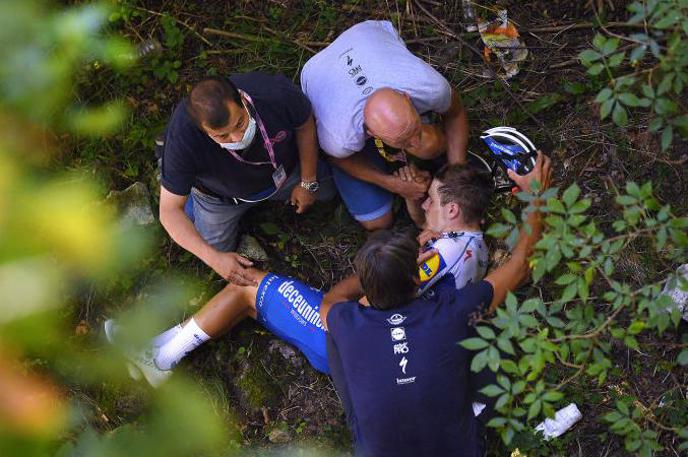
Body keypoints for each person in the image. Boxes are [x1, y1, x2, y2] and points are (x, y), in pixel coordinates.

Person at [104, 163, 493, 387]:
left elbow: (372, 301)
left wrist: (343, 293)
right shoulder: (473, 247)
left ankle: (161, 360)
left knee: (251, 284)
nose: (425, 200)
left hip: (355, 348)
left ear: (454, 209)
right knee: (260, 304)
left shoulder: (436, 258)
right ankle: (157, 347)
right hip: (392, 359)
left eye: (432, 196)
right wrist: (415, 206)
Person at [318, 152, 551, 456]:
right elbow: (521, 266)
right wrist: (538, 196)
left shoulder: (349, 322)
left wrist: (373, 274)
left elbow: (330, 302)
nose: (426, 204)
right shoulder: (454, 312)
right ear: (418, 278)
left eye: (430, 199)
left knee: (332, 336)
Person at [159, 73, 336, 286]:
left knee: (327, 189)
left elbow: (304, 124)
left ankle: (177, 181)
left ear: (242, 99)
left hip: (283, 173)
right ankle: (180, 187)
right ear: (203, 131)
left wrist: (308, 180)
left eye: (240, 123)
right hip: (220, 198)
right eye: (222, 136)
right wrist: (215, 259)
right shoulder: (183, 138)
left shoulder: (273, 92)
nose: (237, 138)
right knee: (211, 248)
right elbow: (169, 212)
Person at [300, 20, 470, 230]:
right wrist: (392, 183)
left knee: (429, 145)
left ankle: (405, 145)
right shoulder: (341, 137)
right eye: (403, 140)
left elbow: (455, 113)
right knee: (377, 221)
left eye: (413, 129)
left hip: (367, 32)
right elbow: (337, 158)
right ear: (369, 133)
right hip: (317, 71)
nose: (414, 141)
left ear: (406, 97)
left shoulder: (428, 86)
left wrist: (456, 175)